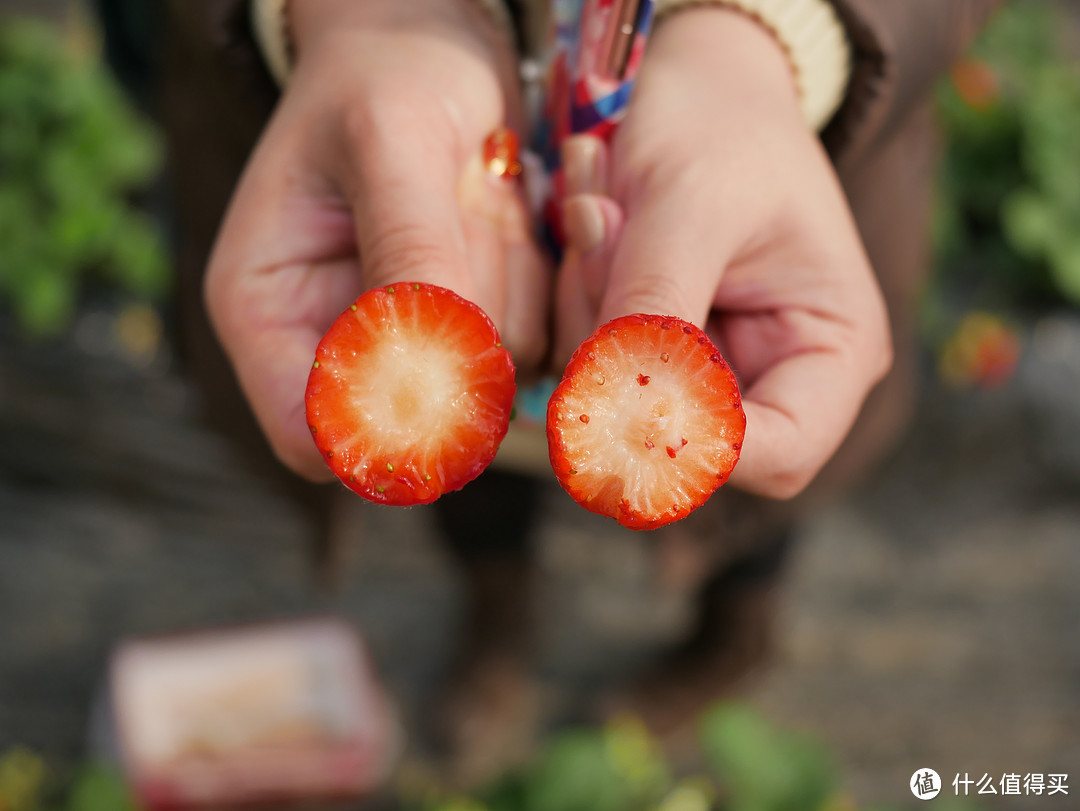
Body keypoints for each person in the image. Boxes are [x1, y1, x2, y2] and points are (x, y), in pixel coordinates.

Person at [150, 0, 1001, 781]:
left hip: (772, 188)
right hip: (370, 157)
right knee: (464, 459)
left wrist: (766, 42)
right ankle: (499, 622)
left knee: (746, 469)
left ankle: (730, 634)